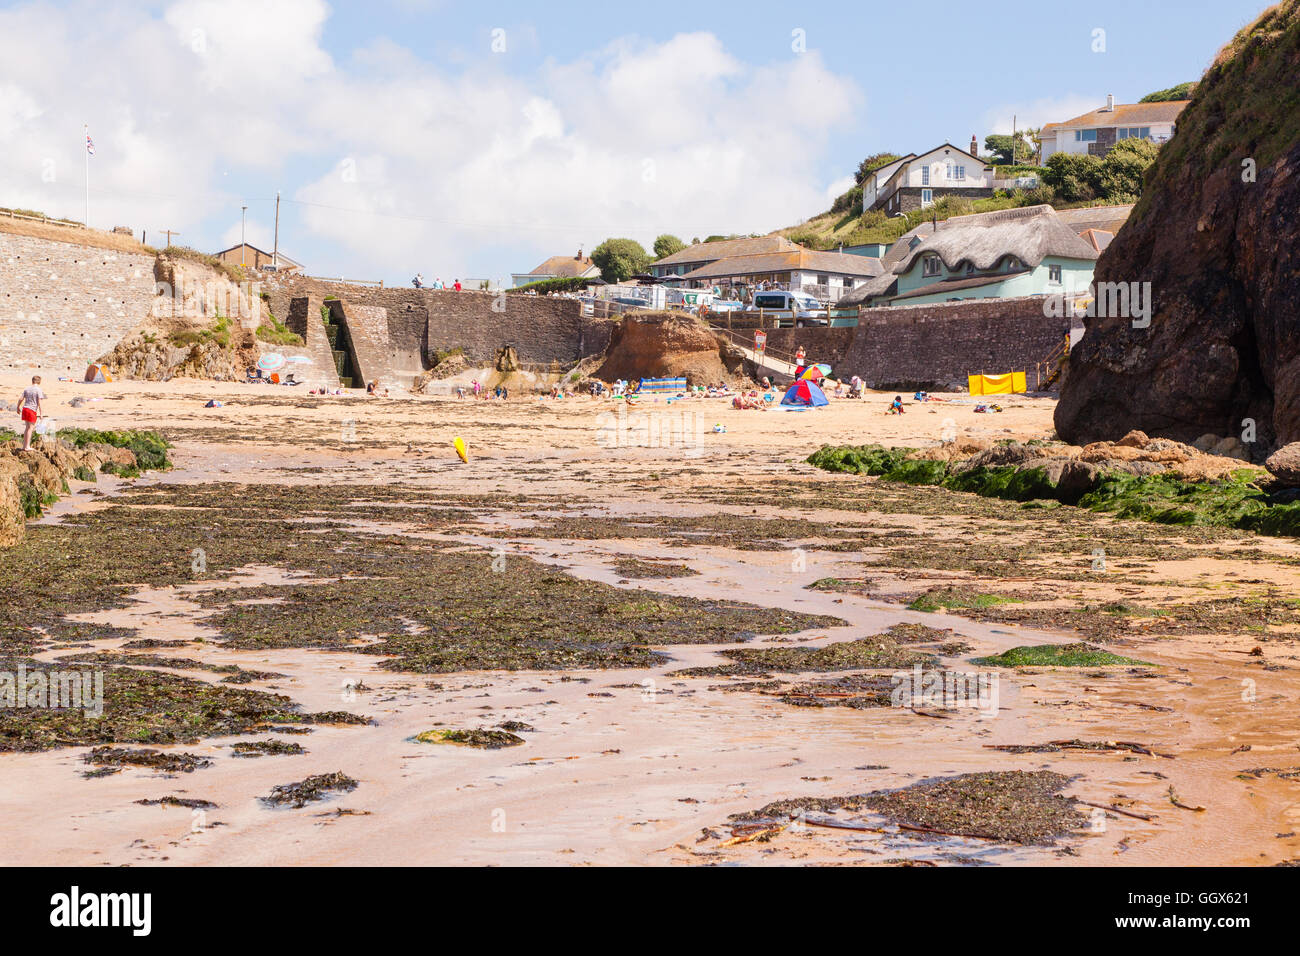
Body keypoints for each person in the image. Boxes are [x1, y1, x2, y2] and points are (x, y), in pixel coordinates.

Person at [16, 375, 45, 451]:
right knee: (30, 428)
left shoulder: (27, 389)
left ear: (32, 381)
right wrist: (41, 413)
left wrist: (18, 407)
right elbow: (39, 402)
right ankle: (27, 446)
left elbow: (20, 398)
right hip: (31, 410)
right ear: (39, 382)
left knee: (27, 428)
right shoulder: (38, 390)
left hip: (25, 409)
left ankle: (24, 446)